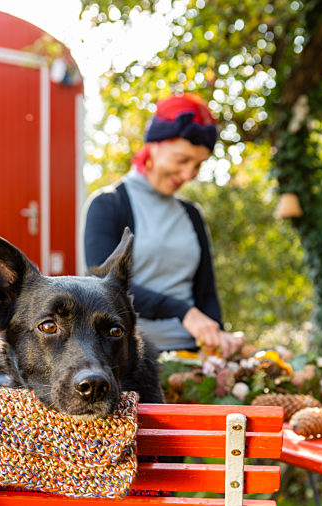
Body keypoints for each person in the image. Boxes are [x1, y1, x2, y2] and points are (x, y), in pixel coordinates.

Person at [83, 93, 244, 358]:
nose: (188, 174)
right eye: (182, 160)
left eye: (198, 165)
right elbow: (103, 285)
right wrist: (182, 311)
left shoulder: (191, 214)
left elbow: (206, 293)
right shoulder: (109, 205)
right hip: (132, 357)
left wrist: (218, 340)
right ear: (154, 145)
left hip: (191, 357)